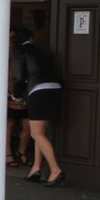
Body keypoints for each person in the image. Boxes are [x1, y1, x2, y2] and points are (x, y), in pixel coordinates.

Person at [12, 27, 64, 186]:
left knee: (37, 135)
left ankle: (56, 171)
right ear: (30, 38)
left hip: (38, 92)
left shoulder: (19, 51)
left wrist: (17, 94)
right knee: (40, 133)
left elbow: (19, 77)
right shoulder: (43, 51)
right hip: (56, 89)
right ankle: (35, 169)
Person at [6, 28, 31, 167]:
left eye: (13, 38)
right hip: (6, 92)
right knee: (8, 124)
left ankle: (21, 151)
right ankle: (7, 154)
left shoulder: (22, 53)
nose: (11, 41)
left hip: (21, 92)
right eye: (9, 38)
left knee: (28, 125)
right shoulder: (0, 52)